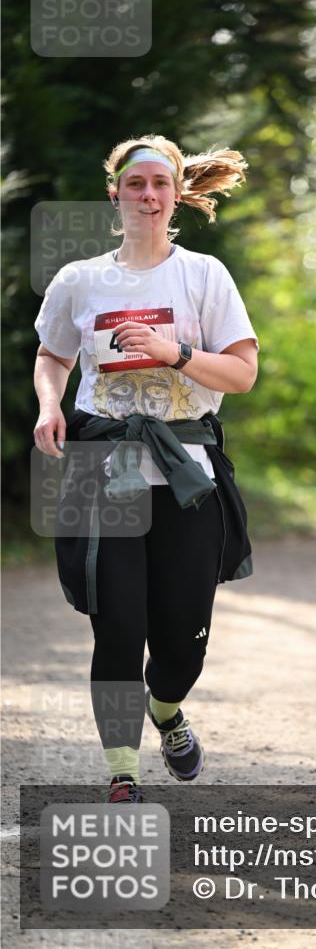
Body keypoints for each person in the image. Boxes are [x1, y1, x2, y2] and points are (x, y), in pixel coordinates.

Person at [33, 134, 258, 803]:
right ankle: (123, 770)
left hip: (188, 477)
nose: (149, 196)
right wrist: (50, 407)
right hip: (105, 471)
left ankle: (168, 708)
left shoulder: (204, 275)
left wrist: (175, 352)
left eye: (161, 184)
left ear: (178, 193)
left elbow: (243, 374)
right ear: (117, 193)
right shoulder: (80, 280)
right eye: (137, 184)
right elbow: (53, 357)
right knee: (118, 624)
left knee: (181, 641)